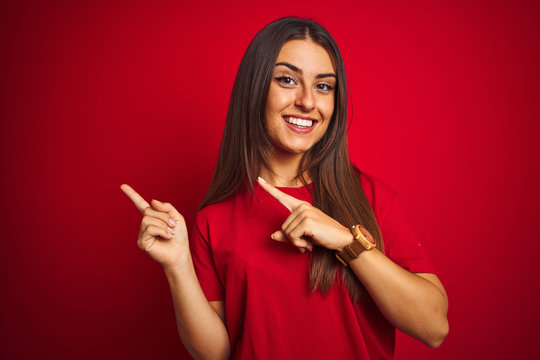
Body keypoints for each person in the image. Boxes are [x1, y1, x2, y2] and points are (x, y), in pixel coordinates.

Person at [121, 17, 448, 360]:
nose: (308, 102)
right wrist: (177, 266)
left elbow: (434, 327)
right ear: (256, 88)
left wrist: (347, 242)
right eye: (287, 80)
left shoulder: (371, 196)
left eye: (324, 86)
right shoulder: (213, 220)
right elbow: (215, 354)